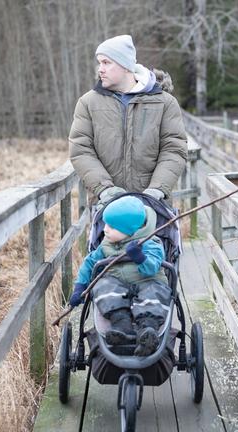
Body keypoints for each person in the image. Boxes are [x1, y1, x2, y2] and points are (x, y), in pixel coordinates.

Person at [69, 34, 187, 209]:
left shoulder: (164, 102)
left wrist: (156, 190)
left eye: (106, 63)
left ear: (125, 66)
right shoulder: (88, 103)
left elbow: (174, 149)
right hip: (107, 208)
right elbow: (81, 150)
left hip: (154, 207)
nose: (100, 69)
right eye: (100, 63)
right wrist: (105, 189)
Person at [69, 195, 171, 356]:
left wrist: (139, 256)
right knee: (102, 285)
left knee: (155, 292)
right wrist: (80, 287)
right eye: (105, 224)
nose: (105, 229)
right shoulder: (106, 246)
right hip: (117, 286)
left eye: (111, 226)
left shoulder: (151, 243)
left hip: (148, 281)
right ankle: (122, 326)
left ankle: (148, 330)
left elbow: (152, 268)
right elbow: (89, 263)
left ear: (129, 230)